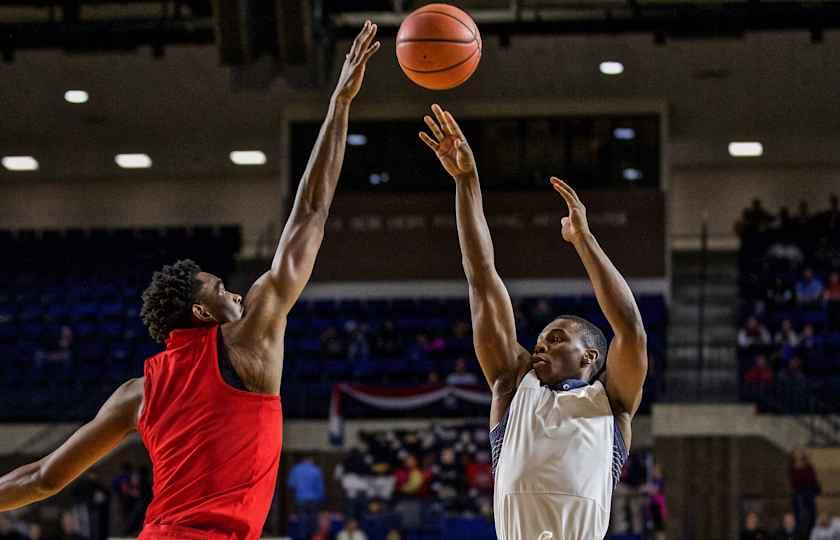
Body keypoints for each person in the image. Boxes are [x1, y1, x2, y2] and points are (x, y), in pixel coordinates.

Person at [0, 22, 381, 540]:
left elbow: (43, 478)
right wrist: (339, 104)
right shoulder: (248, 342)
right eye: (221, 289)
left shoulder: (136, 393)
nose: (235, 292)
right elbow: (311, 213)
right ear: (203, 312)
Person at [420, 105, 646, 539]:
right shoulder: (512, 384)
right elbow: (481, 277)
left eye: (556, 338)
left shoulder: (612, 403)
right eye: (541, 339)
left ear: (590, 356)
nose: (540, 345)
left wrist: (584, 240)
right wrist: (466, 182)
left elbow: (630, 329)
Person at [288, 457, 326, 539]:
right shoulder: (316, 470)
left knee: (301, 520)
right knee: (313, 521)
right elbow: (320, 488)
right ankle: (311, 537)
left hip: (300, 499)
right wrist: (322, 503)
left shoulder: (296, 469)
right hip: (314, 500)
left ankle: (302, 537)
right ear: (311, 461)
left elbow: (291, 485)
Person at [791, 449, 821, 538]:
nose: (798, 455)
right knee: (800, 517)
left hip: (809, 493)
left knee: (812, 516)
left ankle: (811, 534)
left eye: (799, 453)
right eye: (796, 453)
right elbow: (795, 483)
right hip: (799, 494)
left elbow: (813, 480)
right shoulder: (791, 468)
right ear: (793, 456)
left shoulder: (808, 466)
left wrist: (815, 491)